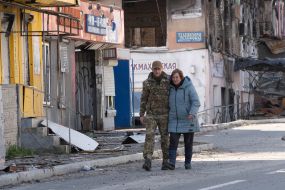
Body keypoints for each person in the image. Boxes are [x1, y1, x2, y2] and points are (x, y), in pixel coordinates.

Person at [140, 60, 173, 171]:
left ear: (162, 69)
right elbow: (143, 99)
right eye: (155, 69)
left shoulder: (169, 80)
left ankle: (166, 161)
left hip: (165, 114)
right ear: (152, 69)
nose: (157, 71)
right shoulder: (147, 83)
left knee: (165, 138)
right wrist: (141, 114)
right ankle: (148, 160)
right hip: (151, 114)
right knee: (149, 136)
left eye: (159, 69)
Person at [167, 68, 201, 170]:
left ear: (181, 77)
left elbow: (196, 102)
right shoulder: (170, 88)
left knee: (188, 143)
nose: (175, 79)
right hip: (174, 120)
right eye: (173, 77)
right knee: (173, 142)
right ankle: (172, 163)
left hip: (188, 119)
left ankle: (187, 163)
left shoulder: (189, 87)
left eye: (177, 77)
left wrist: (192, 113)